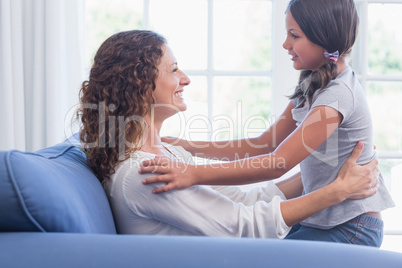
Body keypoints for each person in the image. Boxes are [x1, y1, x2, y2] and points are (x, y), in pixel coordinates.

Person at [77, 29, 379, 239]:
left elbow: (247, 201)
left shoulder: (167, 156)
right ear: (139, 84)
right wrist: (335, 191)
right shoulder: (145, 173)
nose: (185, 79)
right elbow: (244, 226)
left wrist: (331, 172)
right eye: (173, 70)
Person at [140, 0, 394, 247]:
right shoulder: (314, 81)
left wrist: (193, 174)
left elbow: (278, 163)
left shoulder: (337, 96)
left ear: (323, 38)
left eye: (294, 35)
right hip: (320, 222)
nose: (285, 44)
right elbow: (265, 144)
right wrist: (186, 146)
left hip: (351, 228)